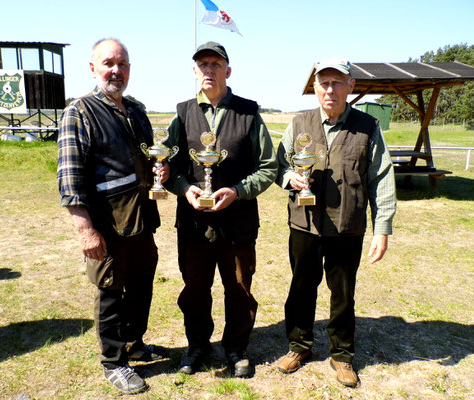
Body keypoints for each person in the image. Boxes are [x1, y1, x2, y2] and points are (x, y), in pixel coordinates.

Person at [275, 58, 397, 388]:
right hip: (305, 223)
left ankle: (342, 355)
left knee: (343, 293)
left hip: (348, 226)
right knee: (301, 288)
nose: (330, 89)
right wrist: (290, 178)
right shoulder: (299, 123)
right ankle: (298, 346)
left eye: (337, 82)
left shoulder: (368, 126)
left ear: (350, 86)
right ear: (314, 88)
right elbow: (276, 164)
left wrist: (382, 228)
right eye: (324, 83)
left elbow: (381, 177)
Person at [57, 38, 168, 395]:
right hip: (106, 225)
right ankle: (114, 362)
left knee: (141, 285)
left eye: (122, 64)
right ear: (93, 68)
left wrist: (158, 172)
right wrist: (85, 229)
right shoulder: (80, 112)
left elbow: (146, 160)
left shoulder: (136, 110)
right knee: (110, 291)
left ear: (130, 69)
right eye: (108, 63)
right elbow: (70, 179)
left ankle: (134, 343)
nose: (115, 71)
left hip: (140, 220)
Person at [164, 41, 278, 378]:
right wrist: (184, 188)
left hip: (238, 222)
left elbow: (269, 166)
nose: (209, 70)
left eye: (216, 64)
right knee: (195, 289)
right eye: (203, 65)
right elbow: (167, 165)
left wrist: (239, 190)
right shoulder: (182, 114)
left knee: (239, 288)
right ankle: (197, 345)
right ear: (195, 71)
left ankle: (236, 348)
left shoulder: (248, 112)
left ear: (228, 70)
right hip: (194, 224)